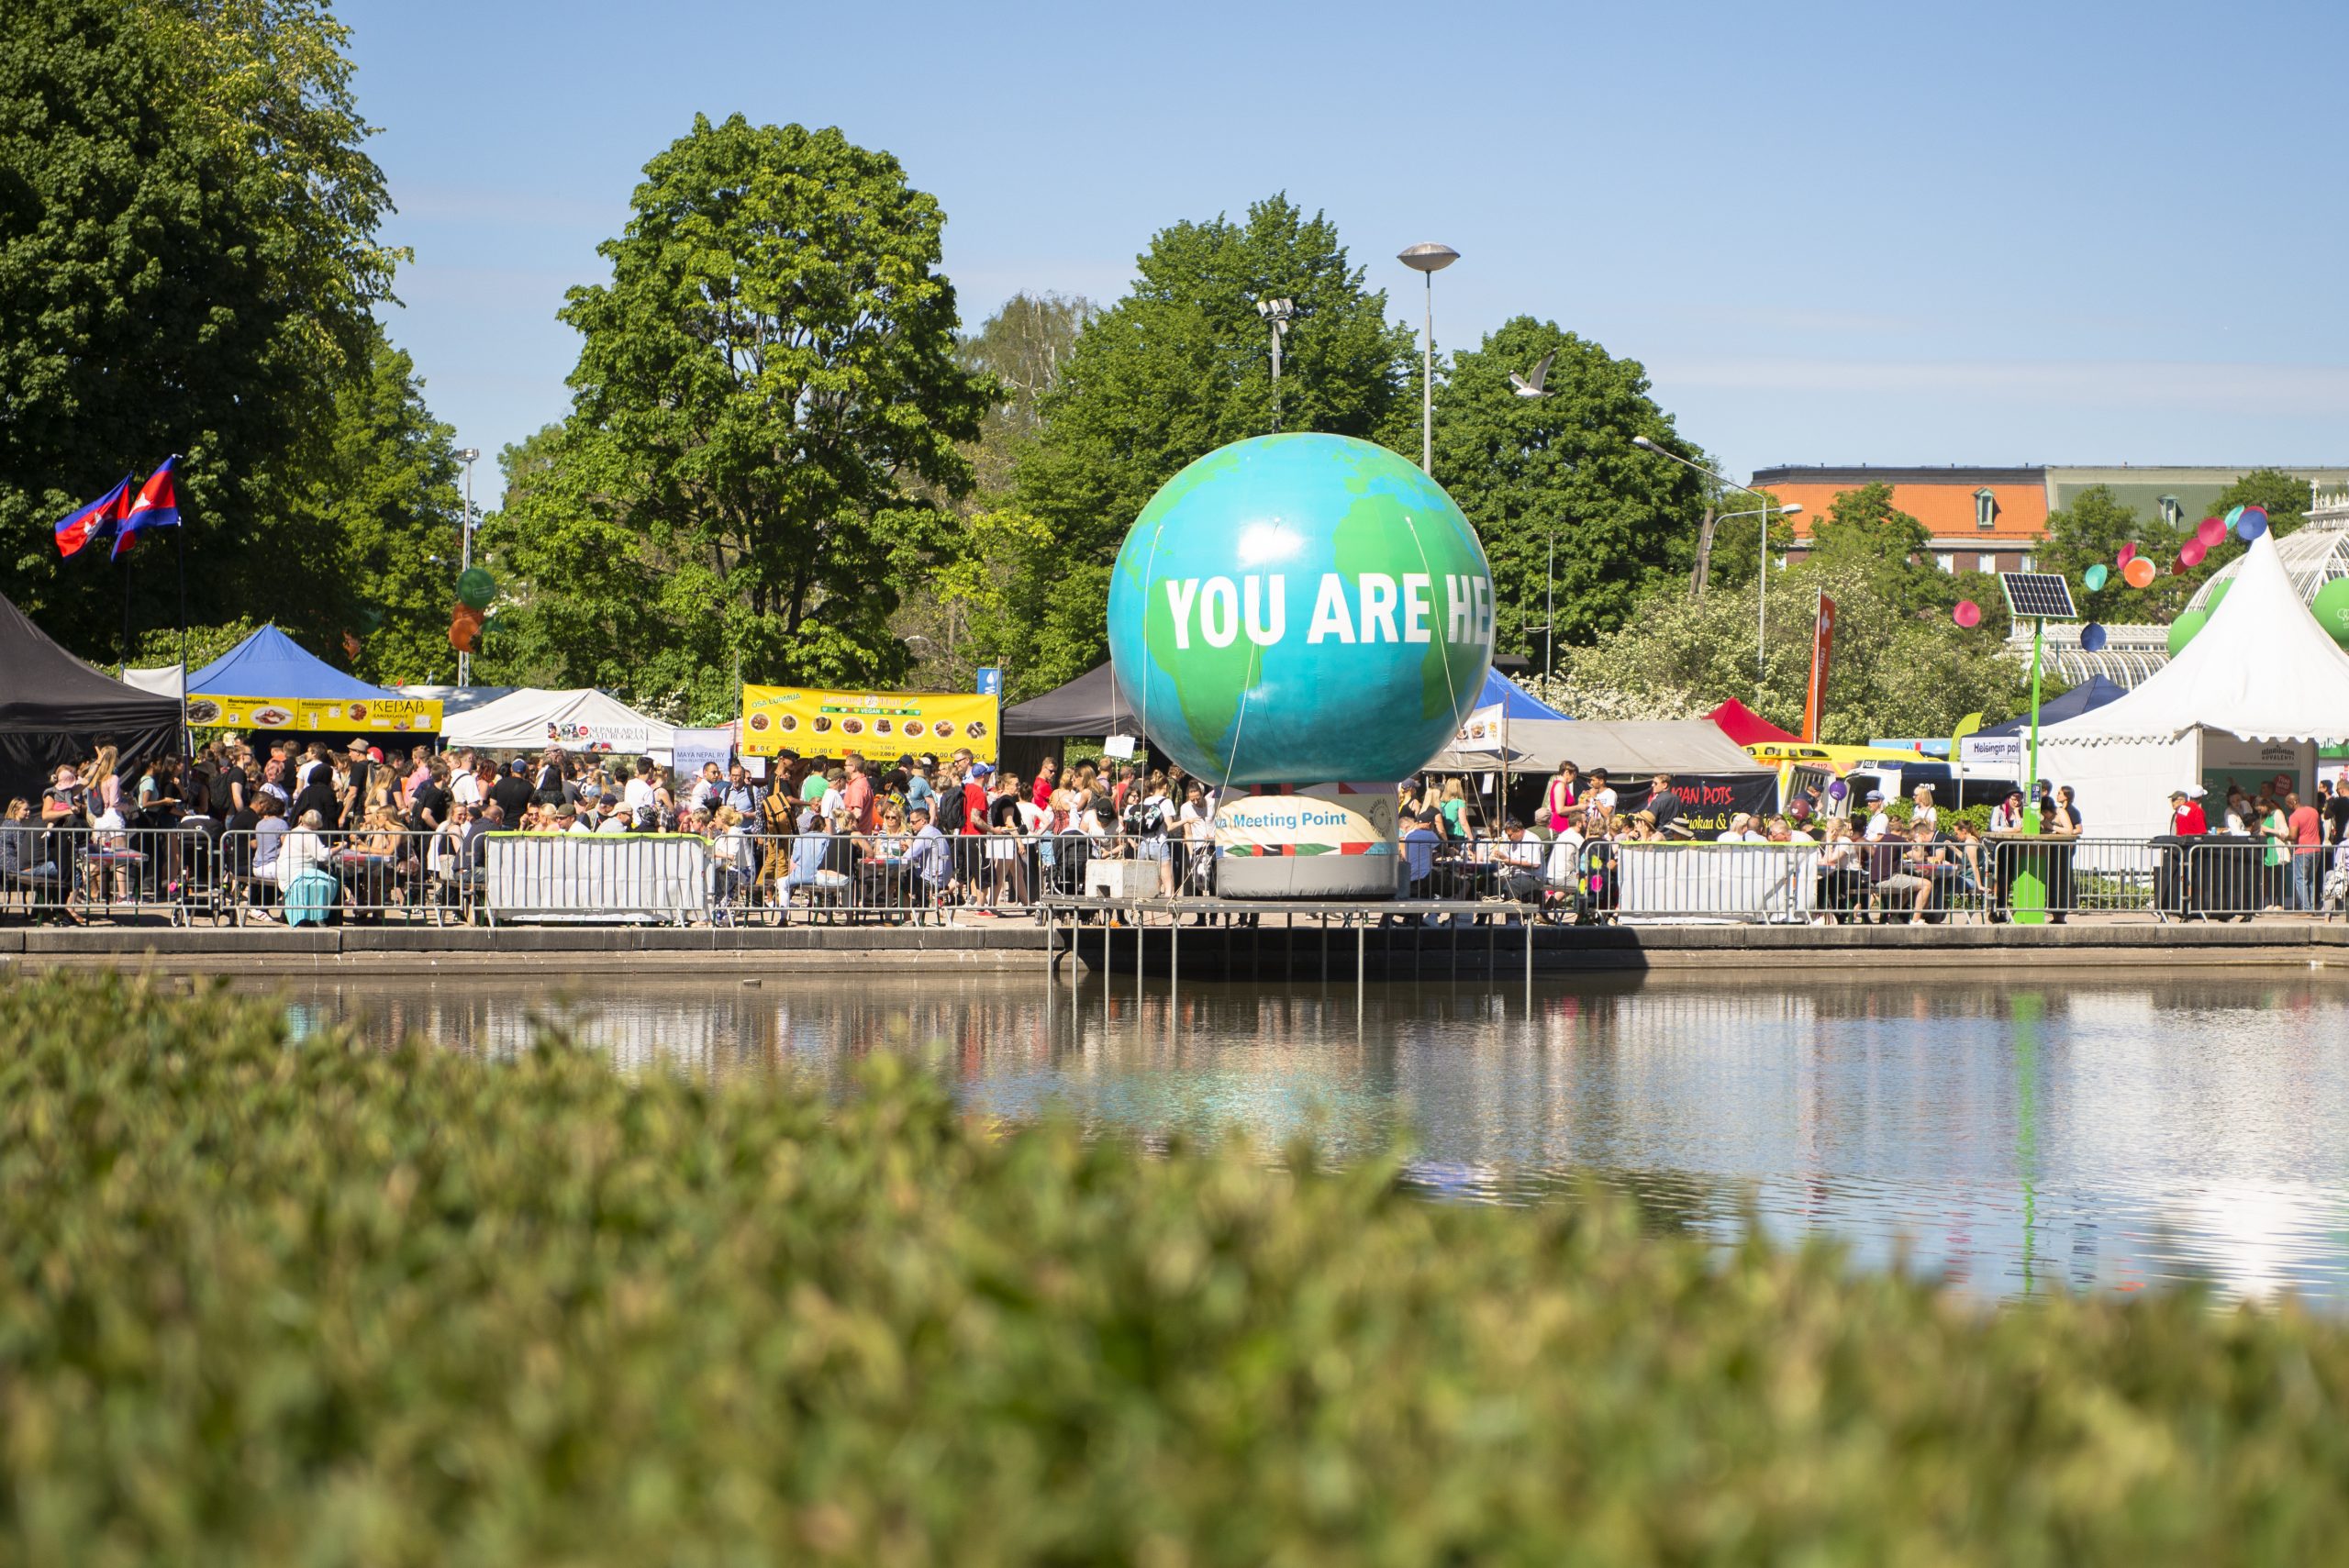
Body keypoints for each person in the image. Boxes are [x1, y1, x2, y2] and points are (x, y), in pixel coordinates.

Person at [1876, 820, 1946, 923]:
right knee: (1926, 884)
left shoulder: (1885, 838)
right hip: (1887, 878)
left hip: (1878, 877)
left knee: (1910, 887)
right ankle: (1915, 920)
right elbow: (1919, 858)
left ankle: (1893, 916)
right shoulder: (1899, 840)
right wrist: (1920, 842)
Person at [2287, 790, 2324, 912]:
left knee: (2300, 879)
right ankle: (2311, 907)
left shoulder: (2294, 816)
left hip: (2302, 850)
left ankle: (2306, 908)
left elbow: (2292, 836)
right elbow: (2318, 828)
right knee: (2311, 879)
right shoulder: (2313, 811)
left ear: (2293, 802)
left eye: (2288, 804)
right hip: (2316, 849)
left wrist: (2283, 836)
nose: (2287, 807)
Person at [1541, 761, 1579, 834]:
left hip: (1564, 823)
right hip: (1560, 824)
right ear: (1567, 772)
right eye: (1574, 775)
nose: (1574, 778)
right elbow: (1560, 810)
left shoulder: (1562, 785)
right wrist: (1578, 807)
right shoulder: (1560, 785)